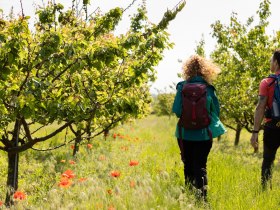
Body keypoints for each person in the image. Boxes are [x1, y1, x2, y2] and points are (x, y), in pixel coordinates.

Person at [172, 55, 226, 201]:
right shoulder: (209, 89)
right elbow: (216, 112)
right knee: (201, 166)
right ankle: (202, 200)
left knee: (188, 166)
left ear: (187, 70)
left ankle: (189, 199)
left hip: (184, 134)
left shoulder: (182, 87)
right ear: (206, 70)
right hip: (204, 135)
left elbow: (177, 110)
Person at [250, 49, 280, 190]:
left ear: (276, 62)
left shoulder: (267, 82)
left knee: (268, 161)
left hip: (272, 127)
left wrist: (255, 131)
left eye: (271, 60)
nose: (270, 62)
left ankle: (265, 191)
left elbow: (260, 107)